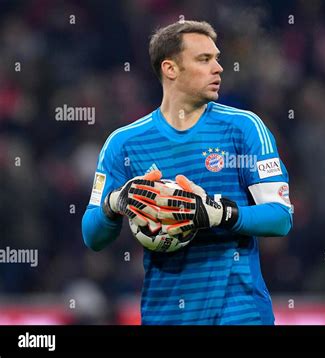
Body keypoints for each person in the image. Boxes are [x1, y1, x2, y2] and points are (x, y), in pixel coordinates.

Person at [82, 20, 293, 325]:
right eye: (204, 59)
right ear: (170, 69)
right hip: (164, 315)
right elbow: (92, 236)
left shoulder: (245, 128)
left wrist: (218, 214)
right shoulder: (124, 144)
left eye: (217, 58)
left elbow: (281, 217)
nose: (218, 68)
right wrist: (115, 202)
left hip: (240, 314)